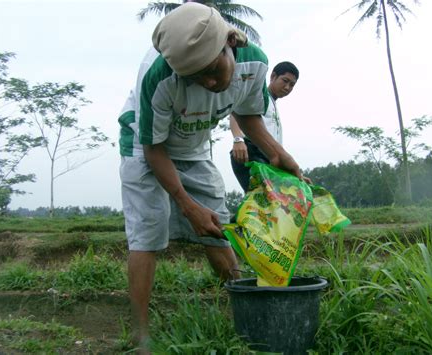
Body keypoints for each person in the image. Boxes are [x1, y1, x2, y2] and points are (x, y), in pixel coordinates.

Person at [117, 2, 303, 351]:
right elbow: (154, 149)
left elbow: (249, 115)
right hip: (145, 147)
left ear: (228, 43)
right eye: (198, 77)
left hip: (193, 144)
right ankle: (140, 332)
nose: (212, 83)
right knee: (148, 230)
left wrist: (280, 154)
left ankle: (244, 311)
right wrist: (187, 206)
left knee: (216, 227)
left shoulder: (254, 63)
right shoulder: (157, 76)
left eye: (214, 70)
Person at [230, 61, 300, 191]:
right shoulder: (259, 96)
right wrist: (238, 139)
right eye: (285, 81)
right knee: (263, 200)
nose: (287, 87)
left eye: (292, 85)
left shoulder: (273, 103)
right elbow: (237, 113)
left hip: (269, 157)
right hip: (250, 152)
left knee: (271, 204)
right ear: (273, 76)